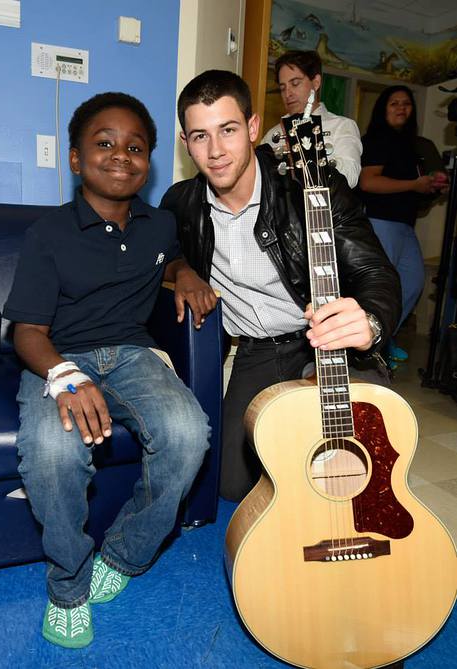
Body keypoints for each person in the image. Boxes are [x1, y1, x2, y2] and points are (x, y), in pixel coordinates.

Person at [3, 92, 217, 649]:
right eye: (104, 143)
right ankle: (68, 587)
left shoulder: (159, 224)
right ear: (75, 158)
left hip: (131, 354)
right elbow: (25, 331)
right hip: (57, 357)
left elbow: (166, 256)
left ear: (148, 163)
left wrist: (185, 269)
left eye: (136, 146)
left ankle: (124, 554)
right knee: (53, 451)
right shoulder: (47, 234)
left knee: (188, 432)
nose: (121, 154)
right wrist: (65, 377)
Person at [160, 69, 400, 506]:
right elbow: (161, 252)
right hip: (260, 351)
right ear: (185, 141)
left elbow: (376, 272)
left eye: (228, 130)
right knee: (231, 483)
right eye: (200, 136)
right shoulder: (182, 204)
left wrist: (370, 321)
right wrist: (183, 271)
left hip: (329, 343)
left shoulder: (312, 187)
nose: (215, 151)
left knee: (365, 453)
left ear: (253, 128)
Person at [359, 85, 449, 365]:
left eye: (406, 104)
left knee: (412, 283)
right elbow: (368, 182)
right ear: (383, 108)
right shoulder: (375, 140)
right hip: (378, 222)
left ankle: (382, 339)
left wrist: (434, 185)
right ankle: (370, 348)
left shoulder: (415, 145)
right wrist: (414, 184)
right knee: (380, 288)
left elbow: (418, 188)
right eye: (394, 103)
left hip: (405, 224)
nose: (401, 108)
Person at [261, 50, 362, 188]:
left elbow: (351, 176)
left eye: (295, 83)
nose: (288, 94)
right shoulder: (273, 135)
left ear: (316, 82)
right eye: (283, 88)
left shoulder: (342, 126)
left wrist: (311, 160)